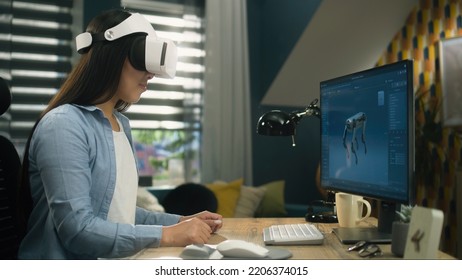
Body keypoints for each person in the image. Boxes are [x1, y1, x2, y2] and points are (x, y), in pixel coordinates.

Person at [17, 9, 222, 260]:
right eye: (142, 59)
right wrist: (168, 235)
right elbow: (77, 230)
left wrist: (183, 221)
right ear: (112, 54)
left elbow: (119, 214)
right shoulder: (64, 125)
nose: (151, 74)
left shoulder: (119, 124)